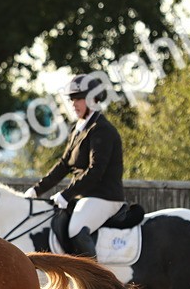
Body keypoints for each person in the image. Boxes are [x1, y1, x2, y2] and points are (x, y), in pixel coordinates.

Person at [27, 73, 125, 258]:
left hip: (104, 198)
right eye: (72, 99)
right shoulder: (78, 129)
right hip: (85, 198)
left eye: (79, 99)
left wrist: (66, 194)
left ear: (93, 100)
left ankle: (96, 280)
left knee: (76, 229)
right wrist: (36, 190)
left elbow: (95, 171)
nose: (74, 104)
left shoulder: (101, 130)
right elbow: (64, 165)